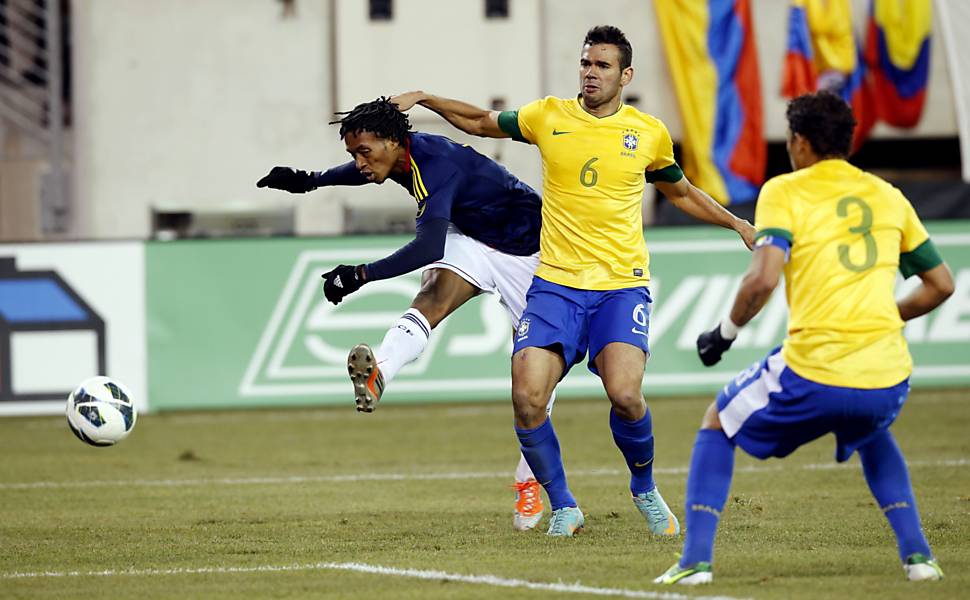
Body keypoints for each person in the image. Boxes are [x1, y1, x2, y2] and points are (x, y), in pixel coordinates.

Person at [392, 25, 756, 537]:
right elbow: (478, 121)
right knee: (527, 397)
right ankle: (563, 504)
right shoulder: (548, 116)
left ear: (625, 75)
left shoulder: (647, 133)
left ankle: (645, 488)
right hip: (555, 284)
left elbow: (683, 192)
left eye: (602, 65)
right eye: (586, 63)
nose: (590, 72)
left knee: (626, 394)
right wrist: (427, 97)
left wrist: (738, 223)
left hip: (619, 285)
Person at [654, 91, 954, 585]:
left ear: (799, 142)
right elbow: (942, 284)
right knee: (871, 431)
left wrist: (724, 334)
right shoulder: (888, 196)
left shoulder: (785, 191)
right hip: (888, 376)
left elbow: (762, 280)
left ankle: (694, 562)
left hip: (815, 369)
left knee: (717, 423)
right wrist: (887, 315)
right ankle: (919, 558)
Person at [257, 97, 556, 531]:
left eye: (365, 151)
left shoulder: (437, 168)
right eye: (352, 154)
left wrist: (362, 274)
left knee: (535, 383)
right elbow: (370, 172)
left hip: (529, 253)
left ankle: (528, 482)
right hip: (471, 237)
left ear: (395, 141)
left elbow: (428, 247)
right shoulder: (399, 156)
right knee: (432, 295)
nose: (359, 163)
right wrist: (311, 181)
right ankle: (381, 371)